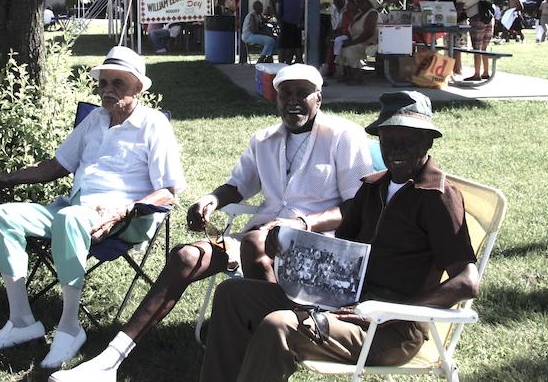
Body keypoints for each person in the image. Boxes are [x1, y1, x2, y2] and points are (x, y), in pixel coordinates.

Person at [53, 64, 375, 382]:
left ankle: (264, 348)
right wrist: (212, 199)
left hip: (318, 246)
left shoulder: (343, 136)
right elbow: (239, 185)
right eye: (285, 93)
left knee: (254, 243)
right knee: (185, 257)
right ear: (275, 99)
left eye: (302, 93)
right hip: (261, 237)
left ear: (318, 98)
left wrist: (303, 223)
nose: (293, 100)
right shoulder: (264, 140)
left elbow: (358, 207)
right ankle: (110, 361)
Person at [199, 90, 480, 382]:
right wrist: (290, 245)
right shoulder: (373, 187)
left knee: (279, 326)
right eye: (388, 140)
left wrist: (389, 313)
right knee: (233, 294)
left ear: (427, 141)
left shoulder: (438, 198)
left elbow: (467, 282)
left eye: (406, 139)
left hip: (390, 328)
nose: (396, 149)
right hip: (341, 303)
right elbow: (339, 249)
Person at [0, 46, 186, 369]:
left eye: (118, 84)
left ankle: (70, 328)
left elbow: (168, 192)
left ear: (138, 88)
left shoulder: (153, 126)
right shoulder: (95, 121)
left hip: (125, 217)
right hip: (76, 209)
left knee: (70, 219)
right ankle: (21, 321)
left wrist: (124, 210)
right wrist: (1, 178)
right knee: (3, 216)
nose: (108, 90)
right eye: (104, 83)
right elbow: (55, 166)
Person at [454, 0, 494, 81]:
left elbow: (458, 10)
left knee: (477, 48)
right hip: (488, 18)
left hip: (476, 19)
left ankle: (477, 74)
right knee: (484, 47)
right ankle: (486, 72)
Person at [336, 0, 379, 86]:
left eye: (362, 2)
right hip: (358, 40)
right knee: (342, 47)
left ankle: (358, 77)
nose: (360, 5)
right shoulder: (359, 15)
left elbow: (368, 33)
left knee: (350, 49)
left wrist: (351, 43)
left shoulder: (372, 13)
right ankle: (349, 75)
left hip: (369, 41)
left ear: (368, 3)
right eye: (358, 3)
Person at [271, 0, 306, 64]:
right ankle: (281, 67)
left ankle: (293, 66)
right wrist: (278, 19)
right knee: (284, 48)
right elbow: (272, 2)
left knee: (297, 47)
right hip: (286, 21)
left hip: (298, 23)